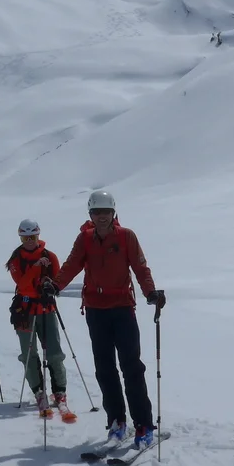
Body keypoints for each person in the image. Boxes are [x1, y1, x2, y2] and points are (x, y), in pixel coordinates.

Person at [46, 191, 164, 449]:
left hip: (122, 308)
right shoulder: (85, 239)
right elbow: (71, 264)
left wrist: (150, 292)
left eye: (105, 212)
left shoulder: (126, 236)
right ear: (90, 215)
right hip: (96, 311)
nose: (101, 217)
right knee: (104, 368)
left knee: (131, 367)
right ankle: (116, 421)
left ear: (113, 214)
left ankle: (143, 424)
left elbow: (141, 267)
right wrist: (55, 285)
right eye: (96, 212)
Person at [6, 219, 74, 421]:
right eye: (25, 237)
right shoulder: (16, 259)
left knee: (54, 352)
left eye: (33, 237)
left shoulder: (50, 256)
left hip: (46, 308)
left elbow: (57, 281)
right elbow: (22, 284)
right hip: (24, 310)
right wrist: (36, 268)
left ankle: (59, 392)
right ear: (20, 237)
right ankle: (38, 392)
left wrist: (49, 286)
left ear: (38, 236)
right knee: (29, 354)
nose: (29, 241)